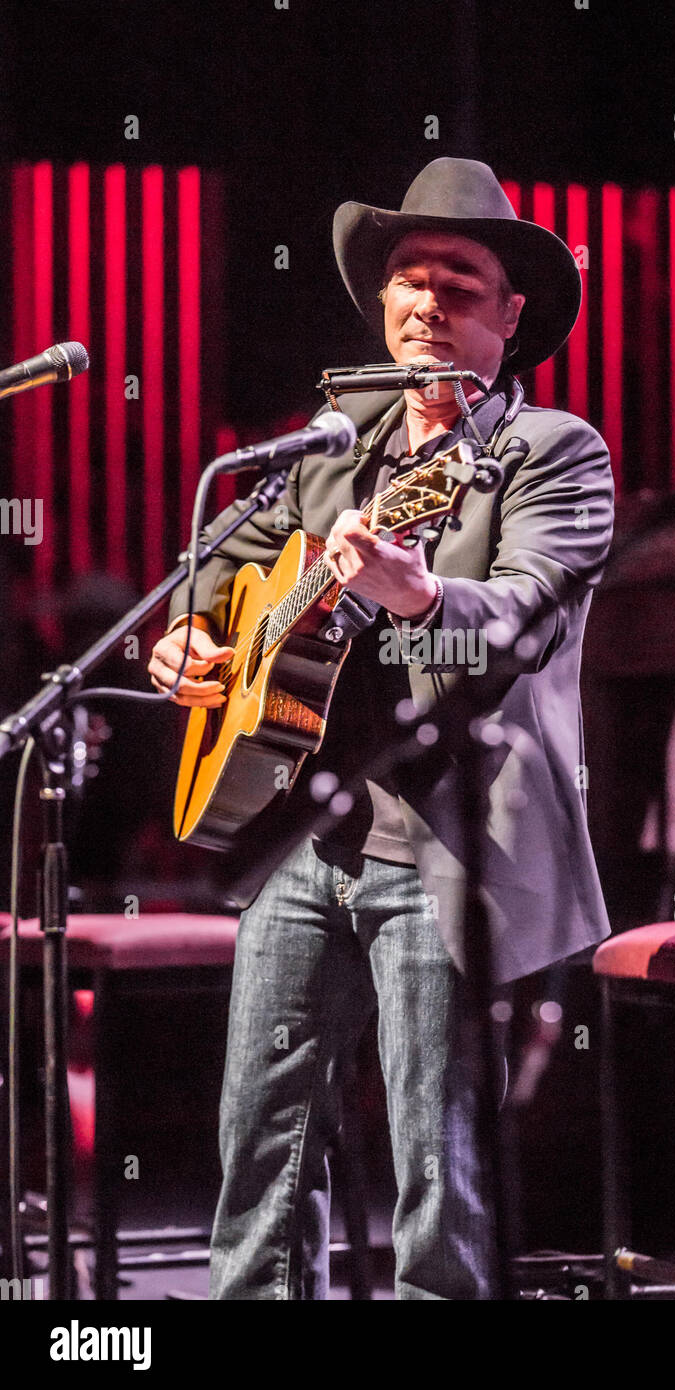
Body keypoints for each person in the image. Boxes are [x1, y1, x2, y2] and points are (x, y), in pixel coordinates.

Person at [147, 156, 615, 1299]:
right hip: (300, 834)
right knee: (258, 1142)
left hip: (451, 844)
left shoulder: (549, 450)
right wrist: (192, 633)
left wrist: (419, 598)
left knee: (435, 1165)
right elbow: (225, 561)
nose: (425, 302)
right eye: (408, 279)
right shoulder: (335, 438)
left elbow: (531, 614)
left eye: (458, 282)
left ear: (508, 315)